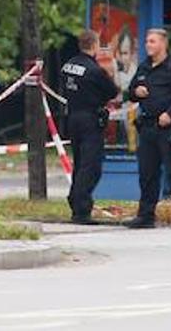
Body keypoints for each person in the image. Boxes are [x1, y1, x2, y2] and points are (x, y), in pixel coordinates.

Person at [125, 28, 171, 229]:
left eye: (152, 41)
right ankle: (146, 215)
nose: (148, 45)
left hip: (168, 129)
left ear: (163, 44)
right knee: (147, 173)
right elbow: (130, 93)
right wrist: (136, 92)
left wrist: (170, 114)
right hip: (147, 127)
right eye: (147, 41)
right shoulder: (144, 68)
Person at [60, 30, 120, 224]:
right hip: (90, 120)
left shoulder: (68, 65)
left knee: (80, 162)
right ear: (94, 46)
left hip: (73, 118)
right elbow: (112, 91)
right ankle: (81, 207)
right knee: (91, 166)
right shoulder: (94, 70)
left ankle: (76, 202)